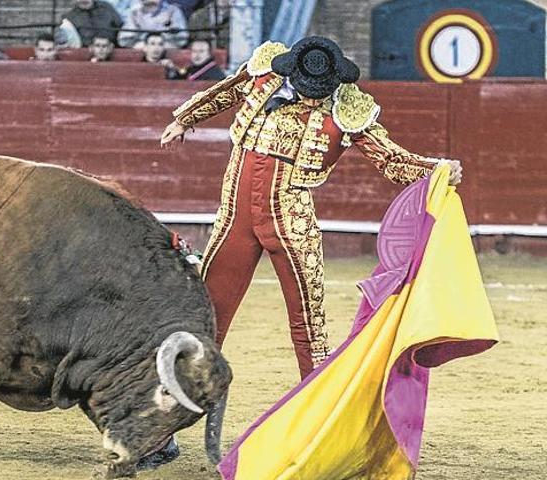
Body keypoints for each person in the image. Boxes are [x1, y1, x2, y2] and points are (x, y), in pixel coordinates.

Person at [160, 37, 463, 380]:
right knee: (210, 308)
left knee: (309, 319)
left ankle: (317, 403)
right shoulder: (264, 73)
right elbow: (226, 90)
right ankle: (178, 395)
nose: (312, 95)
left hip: (292, 221)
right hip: (235, 217)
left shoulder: (347, 107)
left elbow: (387, 155)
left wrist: (434, 169)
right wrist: (185, 118)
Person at [118, 0, 187, 49]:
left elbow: (182, 40)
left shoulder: (173, 11)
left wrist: (159, 47)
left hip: (167, 54)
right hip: (140, 54)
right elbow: (123, 42)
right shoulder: (133, 13)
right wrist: (135, 26)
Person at [58, 0, 122, 47]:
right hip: (85, 52)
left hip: (111, 48)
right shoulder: (69, 17)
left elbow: (119, 25)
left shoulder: (107, 8)